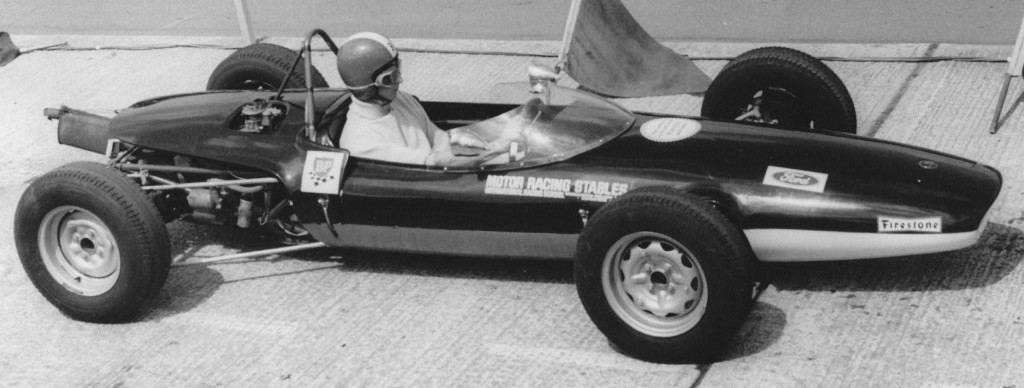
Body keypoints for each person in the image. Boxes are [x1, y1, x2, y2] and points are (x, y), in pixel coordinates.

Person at [336, 32, 510, 167]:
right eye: (392, 77)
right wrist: (499, 150)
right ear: (369, 86)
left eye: (398, 69)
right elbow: (437, 162)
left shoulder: (400, 100)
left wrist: (497, 138)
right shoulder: (361, 142)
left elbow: (441, 141)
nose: (401, 81)